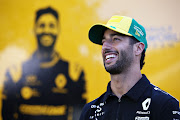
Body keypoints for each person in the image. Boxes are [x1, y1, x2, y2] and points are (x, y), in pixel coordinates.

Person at [80, 15, 180, 120]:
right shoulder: (90, 111)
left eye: (115, 39)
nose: (105, 47)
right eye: (104, 41)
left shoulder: (164, 105)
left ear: (138, 48)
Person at [2, 7, 86, 120]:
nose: (46, 30)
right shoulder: (16, 72)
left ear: (58, 30)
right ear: (34, 29)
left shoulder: (73, 73)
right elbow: (7, 115)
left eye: (51, 26)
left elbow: (80, 116)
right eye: (42, 25)